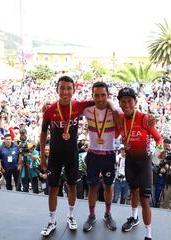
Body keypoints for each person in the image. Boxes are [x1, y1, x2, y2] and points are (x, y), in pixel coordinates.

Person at [39, 76, 94, 236]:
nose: (65, 91)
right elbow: (43, 134)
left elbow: (100, 101)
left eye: (69, 88)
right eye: (62, 88)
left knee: (71, 186)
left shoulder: (78, 106)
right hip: (55, 156)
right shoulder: (49, 110)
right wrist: (42, 156)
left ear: (74, 90)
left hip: (72, 155)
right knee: (53, 189)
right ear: (57, 90)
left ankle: (70, 216)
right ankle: (51, 221)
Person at [117, 87, 163, 240]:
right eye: (123, 101)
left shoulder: (144, 118)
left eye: (129, 101)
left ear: (135, 102)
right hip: (130, 162)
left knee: (145, 200)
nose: (126, 104)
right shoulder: (120, 119)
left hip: (144, 163)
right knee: (133, 192)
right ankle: (134, 218)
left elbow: (159, 139)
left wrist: (158, 154)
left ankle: (148, 235)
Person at [82, 82, 118, 232]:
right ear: (92, 96)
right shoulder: (88, 110)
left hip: (109, 154)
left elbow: (123, 121)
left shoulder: (114, 110)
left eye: (103, 94)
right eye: (96, 95)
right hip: (93, 155)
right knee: (92, 187)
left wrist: (112, 105)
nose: (100, 98)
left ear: (108, 95)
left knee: (108, 186)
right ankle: (91, 216)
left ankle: (108, 214)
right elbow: (69, 109)